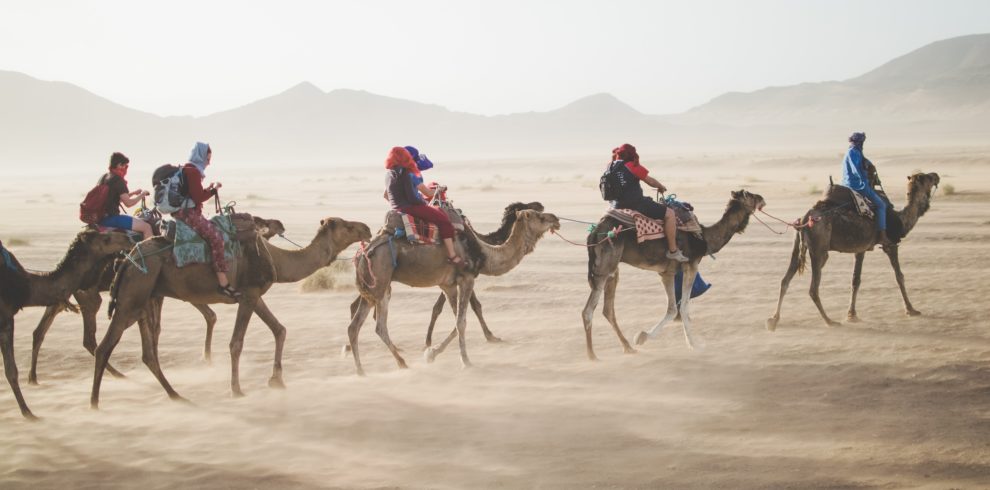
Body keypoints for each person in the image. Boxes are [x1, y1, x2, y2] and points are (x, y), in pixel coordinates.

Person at [173, 142, 239, 298]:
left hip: (185, 211)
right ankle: (224, 284)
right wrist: (213, 190)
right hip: (189, 213)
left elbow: (194, 193)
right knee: (216, 238)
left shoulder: (188, 169)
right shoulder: (193, 172)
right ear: (201, 156)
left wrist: (209, 188)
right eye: (207, 158)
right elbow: (198, 197)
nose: (209, 162)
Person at [384, 146, 465, 268]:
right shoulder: (406, 173)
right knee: (443, 220)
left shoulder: (389, 174)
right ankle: (452, 256)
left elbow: (386, 195)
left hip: (396, 208)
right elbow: (413, 198)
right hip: (409, 207)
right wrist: (424, 204)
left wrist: (397, 204)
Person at [607, 144, 688, 262]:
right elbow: (650, 181)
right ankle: (673, 251)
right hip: (635, 204)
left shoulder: (610, 166)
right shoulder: (632, 166)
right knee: (669, 214)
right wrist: (661, 186)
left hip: (615, 205)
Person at [841, 132, 890, 245]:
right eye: (862, 142)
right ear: (860, 142)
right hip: (857, 186)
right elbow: (856, 169)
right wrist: (865, 180)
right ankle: (882, 236)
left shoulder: (855, 152)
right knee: (881, 205)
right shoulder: (853, 152)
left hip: (850, 184)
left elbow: (866, 163)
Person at [97, 152, 153, 239]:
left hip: (101, 218)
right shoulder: (118, 180)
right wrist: (142, 194)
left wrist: (133, 193)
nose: (126, 169)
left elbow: (116, 199)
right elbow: (128, 204)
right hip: (112, 219)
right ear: (119, 165)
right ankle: (149, 251)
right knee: (147, 227)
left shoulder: (105, 177)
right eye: (125, 166)